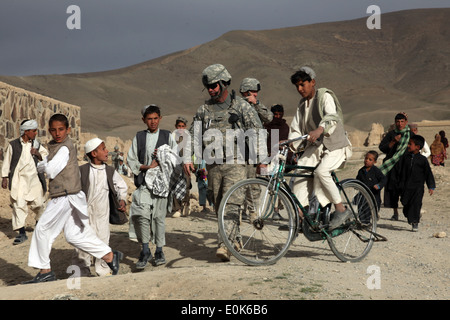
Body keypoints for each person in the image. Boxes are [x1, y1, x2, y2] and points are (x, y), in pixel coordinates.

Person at [24, 114, 122, 284]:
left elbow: (51, 171)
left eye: (61, 129)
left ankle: (45, 271)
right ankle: (109, 255)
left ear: (68, 130)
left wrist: (44, 164)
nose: (57, 133)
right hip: (70, 195)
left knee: (42, 230)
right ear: (49, 131)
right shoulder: (55, 146)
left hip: (64, 195)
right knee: (73, 235)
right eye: (53, 130)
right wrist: (43, 162)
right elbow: (46, 166)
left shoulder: (63, 148)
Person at [183, 64, 263, 261]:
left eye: (214, 85)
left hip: (236, 162)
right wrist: (187, 156)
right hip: (213, 165)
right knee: (219, 205)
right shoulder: (204, 110)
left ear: (224, 83)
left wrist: (261, 159)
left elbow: (257, 129)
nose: (211, 89)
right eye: (208, 86)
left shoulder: (241, 106)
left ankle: (224, 245)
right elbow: (193, 134)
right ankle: (234, 239)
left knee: (232, 204)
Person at [288, 66, 352, 230]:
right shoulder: (302, 105)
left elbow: (331, 116)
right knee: (299, 172)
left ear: (313, 82)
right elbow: (296, 128)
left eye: (302, 84)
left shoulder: (325, 95)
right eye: (297, 86)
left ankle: (340, 209)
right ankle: (302, 216)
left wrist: (319, 129)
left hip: (334, 144)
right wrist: (290, 142)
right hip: (316, 146)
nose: (300, 89)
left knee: (321, 171)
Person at [127, 104, 181, 269]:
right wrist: (146, 168)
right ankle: (144, 250)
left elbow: (174, 157)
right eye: (149, 119)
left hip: (162, 185)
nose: (152, 122)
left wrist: (164, 159)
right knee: (142, 216)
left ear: (160, 119)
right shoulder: (139, 137)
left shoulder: (166, 136)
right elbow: (132, 159)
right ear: (144, 120)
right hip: (144, 183)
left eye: (155, 118)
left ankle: (158, 250)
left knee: (158, 218)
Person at [74, 138, 128, 277]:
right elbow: (74, 188)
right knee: (83, 243)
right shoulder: (82, 170)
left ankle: (102, 270)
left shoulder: (110, 171)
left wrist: (122, 199)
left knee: (103, 241)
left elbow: (121, 186)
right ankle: (83, 271)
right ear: (93, 153)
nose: (107, 151)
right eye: (103, 149)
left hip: (102, 212)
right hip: (85, 213)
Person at [1, 120, 48, 245]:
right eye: (33, 131)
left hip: (34, 180)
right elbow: (7, 161)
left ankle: (38, 225)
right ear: (26, 131)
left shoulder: (37, 144)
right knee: (18, 205)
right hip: (19, 180)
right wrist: (4, 177)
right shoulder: (13, 145)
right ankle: (22, 233)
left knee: (39, 204)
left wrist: (37, 154)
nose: (35, 133)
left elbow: (46, 157)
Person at [391, 135, 435, 231]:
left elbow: (428, 173)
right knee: (405, 204)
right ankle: (411, 214)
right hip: (405, 187)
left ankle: (415, 222)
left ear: (417, 147)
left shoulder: (423, 160)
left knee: (416, 203)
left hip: (418, 187)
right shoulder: (405, 158)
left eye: (410, 144)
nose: (408, 146)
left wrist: (431, 186)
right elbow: (398, 170)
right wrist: (396, 182)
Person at [378, 112, 412, 221]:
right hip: (392, 166)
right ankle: (395, 213)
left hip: (405, 166)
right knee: (393, 189)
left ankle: (409, 211)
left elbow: (417, 147)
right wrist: (393, 141)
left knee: (406, 189)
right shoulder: (391, 134)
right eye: (398, 121)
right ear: (395, 122)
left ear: (406, 122)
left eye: (402, 121)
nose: (400, 124)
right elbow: (382, 147)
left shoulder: (410, 135)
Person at [264, 104, 291, 219]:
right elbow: (265, 144)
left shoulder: (285, 127)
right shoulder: (267, 127)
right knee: (271, 186)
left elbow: (287, 144)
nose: (278, 116)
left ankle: (276, 210)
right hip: (269, 159)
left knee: (278, 185)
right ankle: (273, 210)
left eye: (280, 114)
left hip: (281, 160)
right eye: (275, 114)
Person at [171, 116, 192, 218]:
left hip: (186, 164)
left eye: (183, 126)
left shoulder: (189, 137)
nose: (181, 128)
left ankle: (186, 204)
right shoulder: (171, 137)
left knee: (186, 185)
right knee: (175, 185)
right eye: (179, 126)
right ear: (176, 126)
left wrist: (192, 164)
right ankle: (177, 208)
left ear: (185, 127)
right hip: (175, 164)